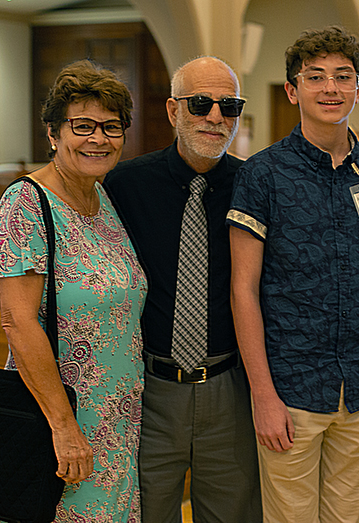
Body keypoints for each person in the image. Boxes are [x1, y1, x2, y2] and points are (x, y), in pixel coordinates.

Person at [227, 26, 359, 522]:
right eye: (316, 77)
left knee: (348, 515)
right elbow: (244, 289)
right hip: (292, 386)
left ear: (358, 89)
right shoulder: (263, 173)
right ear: (293, 89)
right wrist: (262, 393)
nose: (330, 88)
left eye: (343, 77)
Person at [103, 57, 261, 522]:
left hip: (229, 388)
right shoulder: (126, 185)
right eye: (200, 104)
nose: (215, 117)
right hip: (149, 390)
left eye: (228, 106)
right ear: (174, 110)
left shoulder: (254, 184)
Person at [0, 60, 146, 521]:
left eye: (111, 127)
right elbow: (18, 322)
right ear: (54, 133)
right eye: (83, 125)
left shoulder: (105, 200)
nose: (99, 138)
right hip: (58, 419)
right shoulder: (25, 203)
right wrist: (63, 427)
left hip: (116, 419)